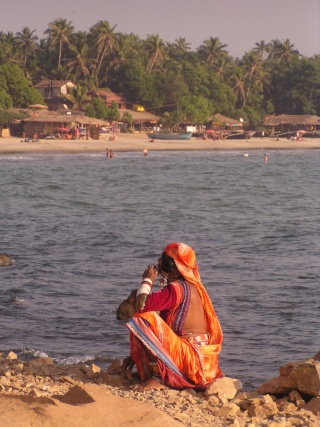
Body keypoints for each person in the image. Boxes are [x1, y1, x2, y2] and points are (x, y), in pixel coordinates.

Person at [123, 242, 223, 391]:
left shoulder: (177, 289)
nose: (158, 262)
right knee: (154, 316)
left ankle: (160, 378)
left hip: (190, 361)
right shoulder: (192, 286)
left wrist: (147, 280)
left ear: (173, 266)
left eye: (162, 258)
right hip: (200, 364)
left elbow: (141, 305)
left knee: (142, 317)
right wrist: (136, 355)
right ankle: (161, 372)